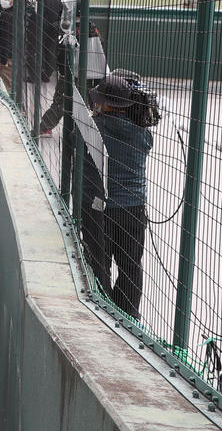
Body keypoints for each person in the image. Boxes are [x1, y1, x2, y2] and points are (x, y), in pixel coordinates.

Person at [91, 73, 153, 319]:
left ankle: (103, 309)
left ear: (106, 103)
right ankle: (128, 314)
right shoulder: (142, 134)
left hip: (103, 208)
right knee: (130, 265)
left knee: (100, 263)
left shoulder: (96, 127)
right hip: (134, 208)